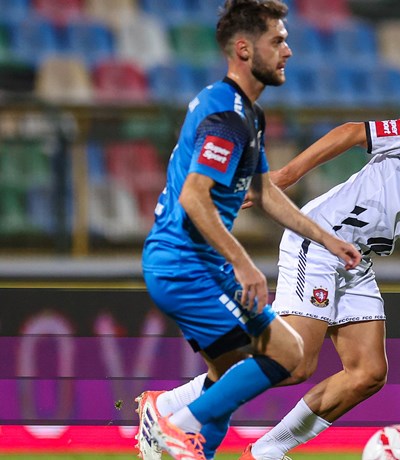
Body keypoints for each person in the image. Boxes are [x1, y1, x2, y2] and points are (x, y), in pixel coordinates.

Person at [141, 77, 400, 460]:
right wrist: (283, 176)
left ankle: (267, 450)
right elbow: (353, 132)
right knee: (294, 362)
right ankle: (169, 408)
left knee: (368, 372)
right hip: (319, 238)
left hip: (356, 259)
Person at [135, 1, 361, 459]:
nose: (288, 51)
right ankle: (172, 424)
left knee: (229, 378)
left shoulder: (246, 113)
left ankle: (183, 432)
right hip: (187, 265)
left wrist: (325, 237)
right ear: (244, 48)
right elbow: (195, 197)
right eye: (277, 40)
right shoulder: (229, 117)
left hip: (193, 264)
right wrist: (243, 263)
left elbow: (262, 191)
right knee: (288, 353)